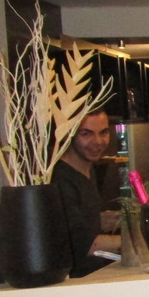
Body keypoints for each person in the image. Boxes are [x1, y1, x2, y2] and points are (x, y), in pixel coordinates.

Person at [52, 109, 120, 277]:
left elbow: (85, 220)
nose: (98, 142)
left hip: (95, 273)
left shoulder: (88, 170)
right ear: (69, 135)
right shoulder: (59, 179)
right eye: (86, 134)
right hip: (77, 280)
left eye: (103, 132)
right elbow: (87, 244)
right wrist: (142, 239)